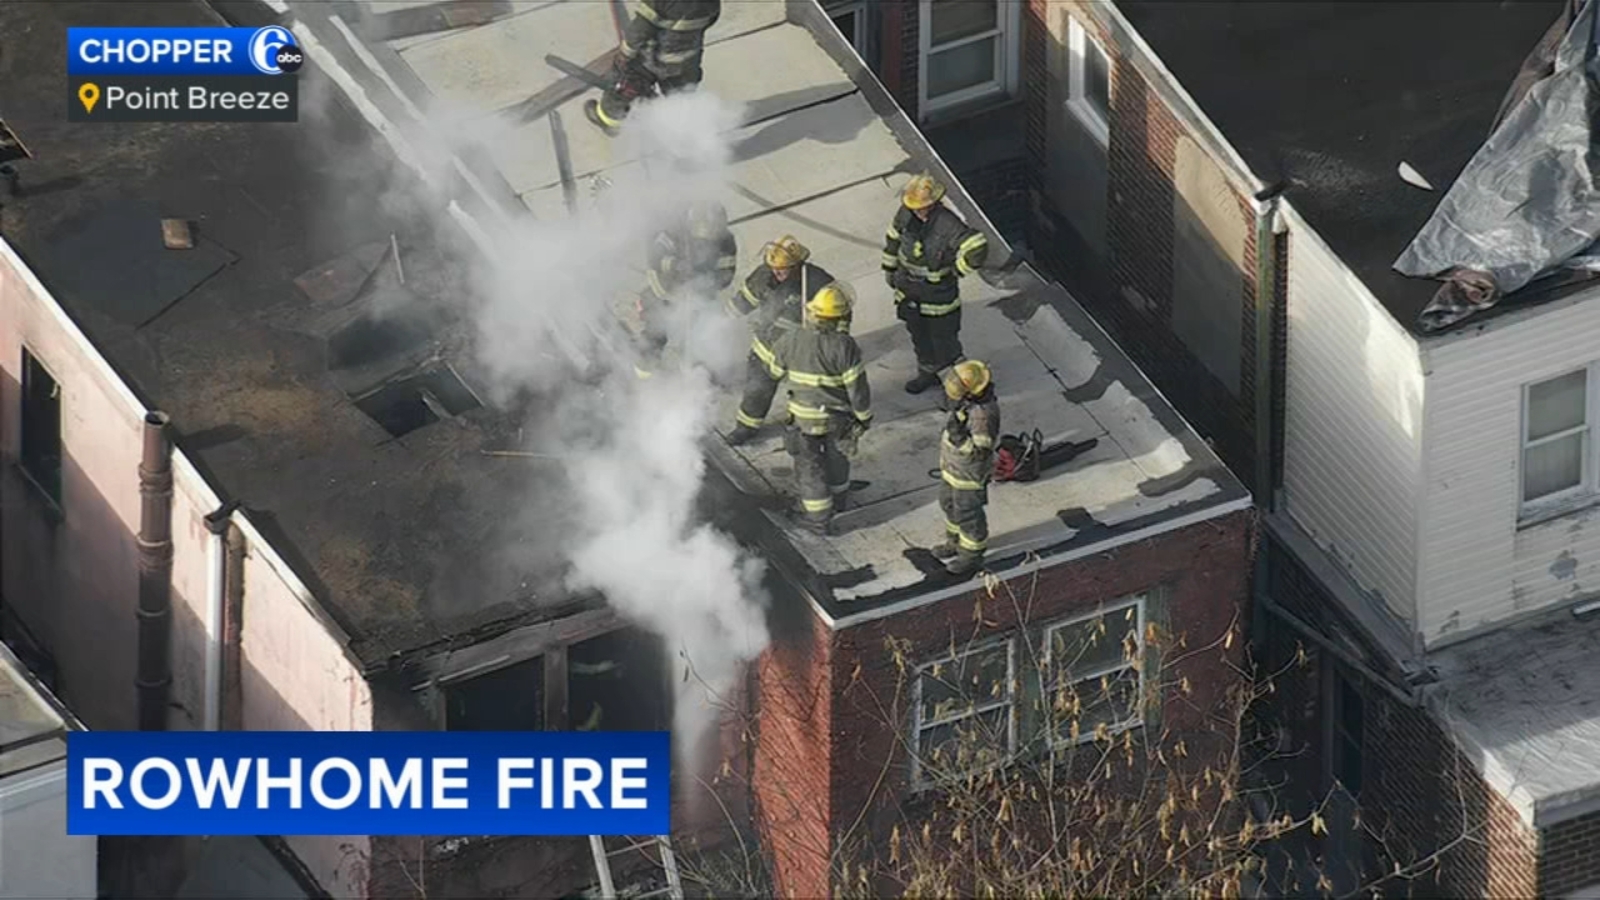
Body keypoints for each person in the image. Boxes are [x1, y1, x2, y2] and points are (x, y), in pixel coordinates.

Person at [764, 282, 872, 534]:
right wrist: (863, 417)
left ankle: (817, 520)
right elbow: (858, 389)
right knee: (837, 457)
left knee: (809, 467)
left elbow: (773, 372)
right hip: (838, 419)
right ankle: (840, 500)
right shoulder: (845, 345)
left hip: (803, 420)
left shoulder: (790, 339)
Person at [882, 173, 991, 395]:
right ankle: (927, 374)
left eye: (923, 207)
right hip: (909, 292)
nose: (918, 211)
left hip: (938, 297)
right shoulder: (906, 213)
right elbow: (893, 238)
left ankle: (962, 389)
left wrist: (957, 270)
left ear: (934, 203)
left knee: (945, 343)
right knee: (920, 338)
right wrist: (890, 269)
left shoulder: (947, 223)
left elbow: (977, 245)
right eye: (915, 207)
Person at [725, 235, 835, 445]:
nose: (776, 273)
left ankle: (803, 430)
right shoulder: (764, 274)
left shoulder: (816, 282)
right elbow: (744, 301)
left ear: (796, 266)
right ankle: (746, 427)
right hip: (766, 350)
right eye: (773, 268)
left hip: (800, 352)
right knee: (756, 390)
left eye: (782, 270)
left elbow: (835, 314)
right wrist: (721, 319)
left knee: (805, 395)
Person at [584, 0, 721, 137]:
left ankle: (609, 120)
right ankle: (685, 139)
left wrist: (625, 54)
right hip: (687, 62)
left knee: (624, 83)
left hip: (653, 58)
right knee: (680, 98)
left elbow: (640, 30)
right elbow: (711, 21)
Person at [634, 201, 738, 378]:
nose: (705, 246)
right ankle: (643, 376)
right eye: (701, 242)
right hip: (664, 291)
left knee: (696, 338)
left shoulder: (726, 241)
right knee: (656, 333)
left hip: (699, 296)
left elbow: (726, 273)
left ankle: (694, 380)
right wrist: (677, 266)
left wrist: (708, 282)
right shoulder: (673, 233)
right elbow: (655, 258)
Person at [934, 360, 1000, 576]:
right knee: (948, 504)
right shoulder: (967, 404)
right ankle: (954, 541)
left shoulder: (983, 415)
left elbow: (979, 451)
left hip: (968, 476)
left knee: (969, 515)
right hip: (952, 470)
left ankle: (971, 556)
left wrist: (959, 436)